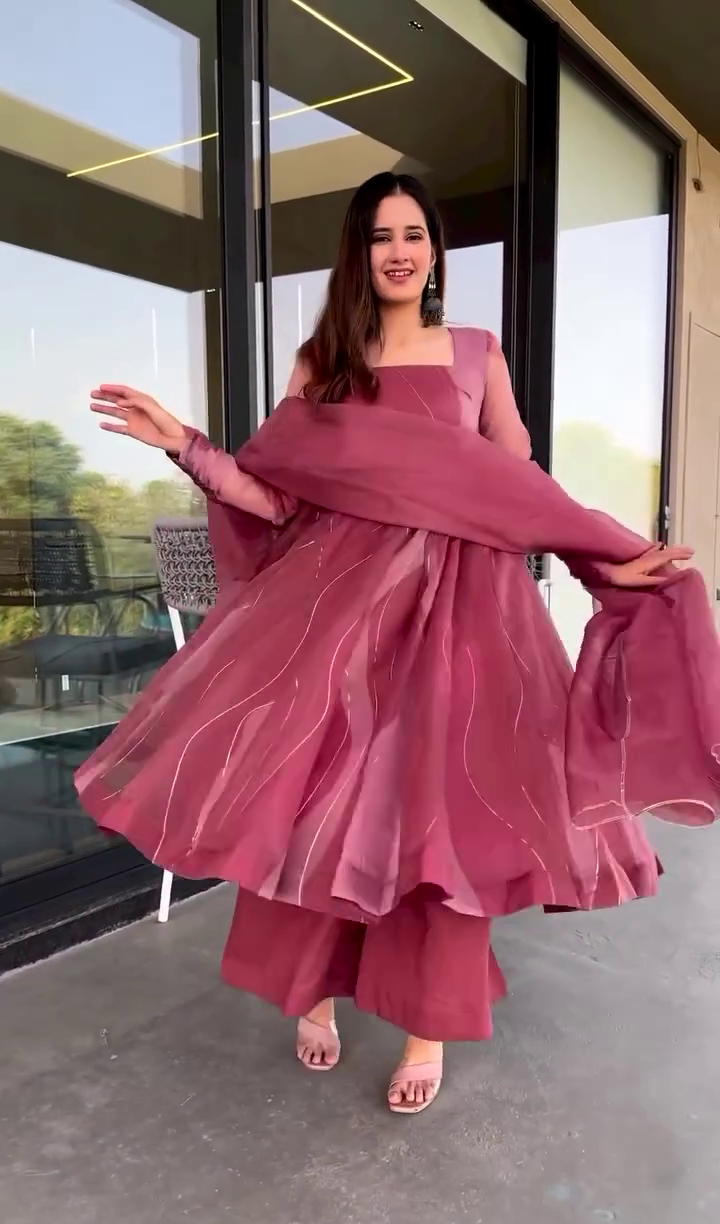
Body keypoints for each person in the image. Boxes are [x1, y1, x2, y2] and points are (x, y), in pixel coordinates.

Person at [77, 172, 716, 1117]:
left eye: (414, 233)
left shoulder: (476, 353)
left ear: (435, 252)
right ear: (359, 253)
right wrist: (186, 443)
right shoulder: (325, 362)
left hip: (464, 619)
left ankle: (427, 1029)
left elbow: (516, 489)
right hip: (340, 618)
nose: (400, 251)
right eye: (381, 237)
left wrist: (605, 556)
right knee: (314, 809)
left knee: (437, 819)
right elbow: (274, 500)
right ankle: (315, 992)